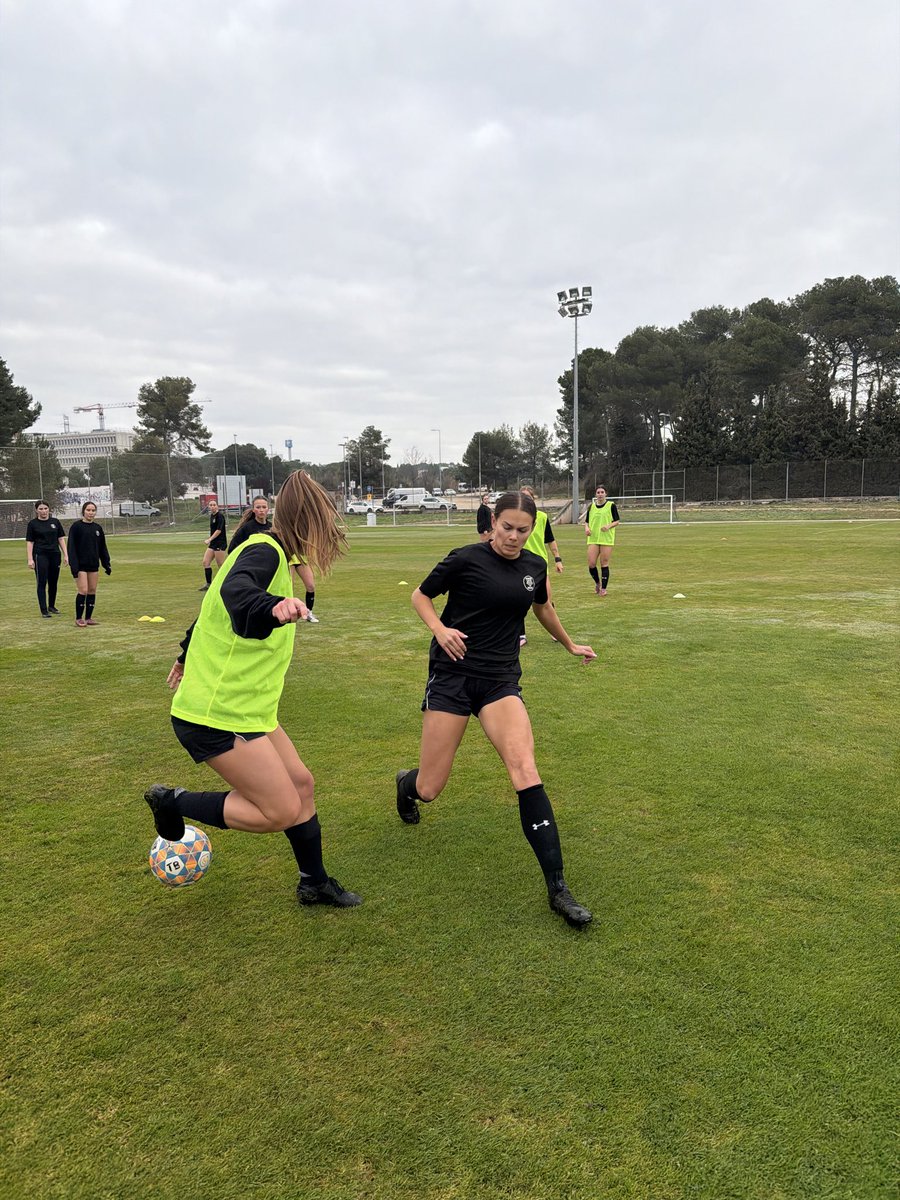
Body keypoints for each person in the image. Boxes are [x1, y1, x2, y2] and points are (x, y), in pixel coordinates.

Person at [143, 470, 361, 909]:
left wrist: (186, 652)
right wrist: (272, 607)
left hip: (247, 707)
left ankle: (313, 882)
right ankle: (174, 801)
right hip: (214, 715)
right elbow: (238, 593)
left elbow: (211, 609)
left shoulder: (271, 553)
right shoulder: (264, 551)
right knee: (278, 810)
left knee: (301, 783)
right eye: (323, 529)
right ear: (307, 524)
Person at [395, 490, 597, 928]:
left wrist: (569, 643)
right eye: (506, 527)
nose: (513, 537)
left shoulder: (534, 566)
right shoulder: (466, 558)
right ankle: (404, 785)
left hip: (500, 681)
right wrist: (439, 627)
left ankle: (558, 888)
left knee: (525, 769)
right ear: (492, 523)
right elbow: (420, 596)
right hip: (451, 677)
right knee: (430, 788)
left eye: (523, 530)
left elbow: (542, 608)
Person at [519, 485, 563, 646]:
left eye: (528, 497)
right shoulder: (516, 517)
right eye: (522, 497)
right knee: (518, 600)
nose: (526, 500)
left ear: (533, 499)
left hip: (539, 565)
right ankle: (520, 635)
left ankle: (554, 631)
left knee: (546, 600)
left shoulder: (542, 517)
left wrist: (557, 559)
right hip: (519, 563)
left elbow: (550, 539)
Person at [67, 501, 111, 627]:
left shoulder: (97, 528)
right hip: (80, 565)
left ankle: (89, 617)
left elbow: (103, 548)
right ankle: (79, 618)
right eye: (88, 510)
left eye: (93, 510)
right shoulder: (76, 527)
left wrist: (106, 563)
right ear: (83, 511)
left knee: (92, 590)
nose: (91, 513)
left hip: (93, 564)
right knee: (83, 590)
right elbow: (72, 548)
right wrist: (74, 567)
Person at [26, 501, 68, 618]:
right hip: (40, 555)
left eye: (45, 508)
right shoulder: (33, 524)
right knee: (42, 582)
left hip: (54, 554)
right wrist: (30, 559)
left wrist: (66, 555)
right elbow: (30, 542)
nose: (43, 511)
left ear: (49, 509)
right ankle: (44, 610)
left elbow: (60, 538)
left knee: (53, 582)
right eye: (41, 509)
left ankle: (52, 606)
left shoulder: (55, 522)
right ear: (36, 510)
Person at [583, 485, 620, 596]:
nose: (600, 494)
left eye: (602, 492)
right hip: (593, 538)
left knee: (604, 563)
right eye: (598, 492)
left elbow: (617, 521)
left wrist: (608, 526)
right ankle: (597, 583)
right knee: (591, 563)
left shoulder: (611, 505)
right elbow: (586, 521)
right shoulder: (591, 507)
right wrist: (587, 528)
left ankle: (603, 589)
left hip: (606, 538)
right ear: (595, 494)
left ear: (606, 494)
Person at [199, 499, 227, 590]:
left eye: (214, 504)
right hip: (213, 543)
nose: (212, 506)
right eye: (210, 505)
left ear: (217, 506)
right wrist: (211, 541)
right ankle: (208, 584)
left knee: (221, 565)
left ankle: (225, 584)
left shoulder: (220, 516)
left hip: (220, 543)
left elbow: (219, 530)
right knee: (205, 562)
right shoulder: (212, 516)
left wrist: (209, 539)